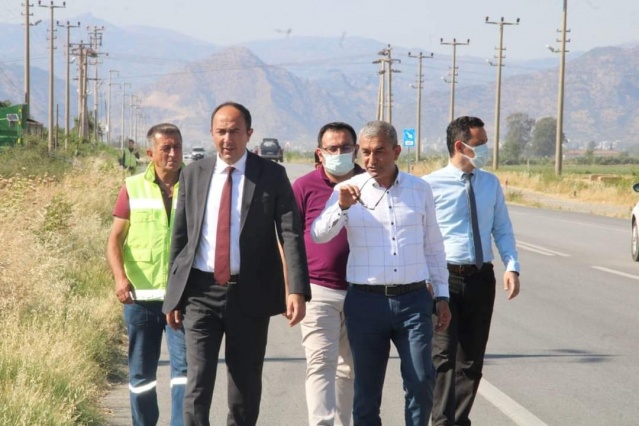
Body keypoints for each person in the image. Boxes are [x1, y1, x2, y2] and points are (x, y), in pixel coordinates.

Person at [162, 101, 311, 426]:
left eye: (234, 131)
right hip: (200, 294)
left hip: (250, 294)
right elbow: (181, 238)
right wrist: (173, 295)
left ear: (249, 133)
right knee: (196, 384)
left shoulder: (271, 175)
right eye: (221, 131)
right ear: (211, 133)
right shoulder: (193, 174)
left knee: (244, 387)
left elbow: (290, 233)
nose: (227, 139)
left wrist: (296, 289)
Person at [311, 120, 452, 426]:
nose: (371, 159)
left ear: (396, 151)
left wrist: (442, 295)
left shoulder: (419, 189)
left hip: (414, 301)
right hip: (365, 304)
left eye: (379, 151)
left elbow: (433, 246)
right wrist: (341, 207)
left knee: (421, 380)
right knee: (366, 391)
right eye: (365, 152)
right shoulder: (347, 190)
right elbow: (319, 234)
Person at [423, 116, 520, 426]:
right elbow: (420, 236)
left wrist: (512, 265)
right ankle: (441, 421)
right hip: (443, 279)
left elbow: (502, 228)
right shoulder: (429, 186)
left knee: (472, 360)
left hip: (481, 278)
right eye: (480, 144)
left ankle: (458, 419)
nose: (486, 149)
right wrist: (426, 279)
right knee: (443, 357)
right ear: (460, 146)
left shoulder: (490, 183)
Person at [106, 123, 188, 426]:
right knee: (141, 376)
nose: (173, 153)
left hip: (183, 298)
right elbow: (114, 240)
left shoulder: (195, 185)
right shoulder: (133, 187)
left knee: (185, 373)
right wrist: (120, 279)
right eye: (165, 148)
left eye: (177, 146)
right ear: (150, 153)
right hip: (141, 299)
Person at [293, 122, 363, 426]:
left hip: (363, 291)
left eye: (345, 147)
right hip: (318, 290)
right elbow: (288, 239)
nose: (339, 153)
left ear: (356, 150)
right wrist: (291, 287)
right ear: (319, 153)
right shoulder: (303, 187)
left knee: (351, 369)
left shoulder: (371, 184)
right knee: (320, 363)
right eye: (332, 148)